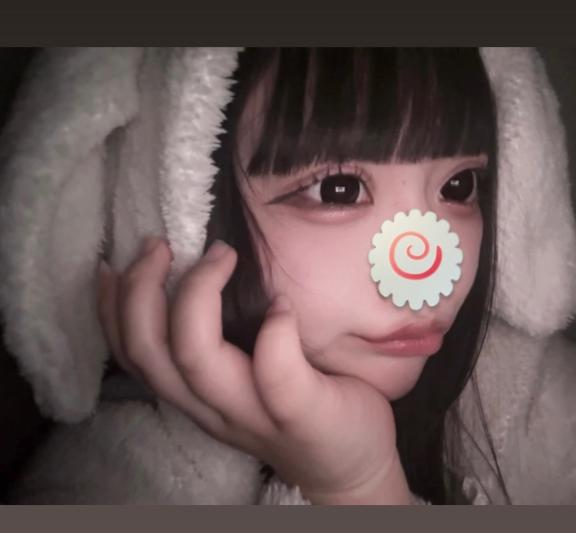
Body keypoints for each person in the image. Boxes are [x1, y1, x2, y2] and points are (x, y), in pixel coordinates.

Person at [1, 48, 576, 505]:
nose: (430, 272)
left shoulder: (532, 399)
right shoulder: (105, 487)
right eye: (338, 189)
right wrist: (355, 488)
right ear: (179, 210)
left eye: (458, 186)